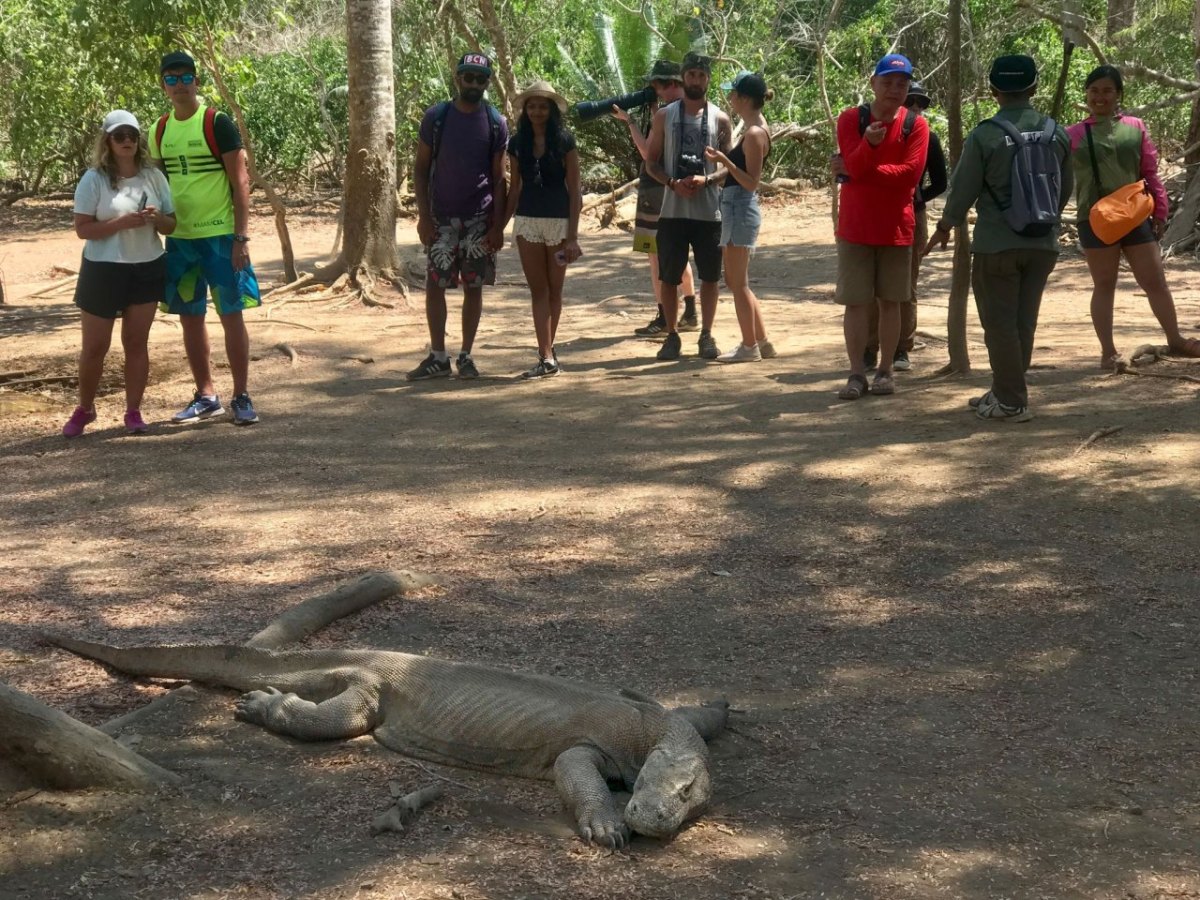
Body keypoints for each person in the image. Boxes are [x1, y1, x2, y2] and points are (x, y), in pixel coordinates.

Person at [924, 54, 1072, 422]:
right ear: (1034, 87)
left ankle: (1011, 400)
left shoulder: (986, 134)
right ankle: (1005, 388)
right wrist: (1044, 219)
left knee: (1000, 324)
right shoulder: (1058, 133)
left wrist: (945, 225)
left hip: (997, 243)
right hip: (1043, 242)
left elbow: (963, 191)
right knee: (1024, 321)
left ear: (993, 91)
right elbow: (1065, 188)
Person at [150, 51, 261, 426]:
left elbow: (240, 182)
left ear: (196, 81)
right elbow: (158, 185)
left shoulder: (217, 123)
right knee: (190, 318)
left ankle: (241, 396)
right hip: (180, 241)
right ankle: (206, 394)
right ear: (163, 85)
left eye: (186, 78)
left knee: (232, 315)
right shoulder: (159, 130)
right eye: (172, 79)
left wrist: (241, 238)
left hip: (221, 238)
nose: (179, 85)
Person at [1065, 65, 1200, 367]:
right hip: (1094, 219)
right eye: (1094, 91)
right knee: (1104, 285)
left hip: (1135, 215)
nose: (1100, 97)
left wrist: (1161, 211)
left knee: (1155, 282)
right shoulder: (1070, 135)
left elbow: (1150, 172)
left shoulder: (1135, 127)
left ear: (1118, 94)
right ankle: (1107, 352)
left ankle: (1175, 339)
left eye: (1107, 90)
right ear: (1086, 94)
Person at [63, 111, 176, 437]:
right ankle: (85, 409)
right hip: (103, 270)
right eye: (119, 135)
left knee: (136, 342)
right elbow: (82, 229)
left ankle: (134, 412)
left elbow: (172, 224)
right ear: (107, 141)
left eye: (132, 135)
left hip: (147, 266)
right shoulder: (93, 179)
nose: (127, 141)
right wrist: (120, 224)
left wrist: (157, 219)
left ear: (139, 139)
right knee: (95, 347)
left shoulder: (154, 176)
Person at [831, 53, 929, 399]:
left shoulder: (915, 125)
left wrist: (862, 168)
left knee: (892, 302)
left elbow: (910, 177)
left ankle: (886, 370)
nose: (894, 89)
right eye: (887, 82)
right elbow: (854, 168)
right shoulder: (849, 120)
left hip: (896, 229)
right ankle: (857, 373)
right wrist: (868, 148)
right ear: (873, 83)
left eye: (902, 84)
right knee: (856, 303)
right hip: (856, 228)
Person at [409, 53, 508, 381]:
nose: (475, 84)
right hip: (441, 216)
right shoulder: (437, 117)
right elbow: (421, 169)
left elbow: (499, 176)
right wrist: (424, 217)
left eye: (481, 79)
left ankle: (466, 355)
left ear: (487, 82)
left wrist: (497, 225)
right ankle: (438, 356)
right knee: (435, 285)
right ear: (458, 78)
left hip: (479, 218)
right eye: (470, 77)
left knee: (474, 286)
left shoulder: (495, 122)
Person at [644, 51, 733, 361]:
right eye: (691, 74)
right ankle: (671, 335)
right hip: (672, 211)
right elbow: (651, 162)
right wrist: (672, 183)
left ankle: (706, 334)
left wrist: (706, 180)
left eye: (701, 75)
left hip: (709, 212)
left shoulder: (721, 118)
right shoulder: (664, 116)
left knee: (710, 277)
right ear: (683, 78)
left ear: (708, 79)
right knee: (668, 276)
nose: (696, 80)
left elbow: (729, 166)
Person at [864, 80, 947, 372]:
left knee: (905, 286)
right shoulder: (875, 133)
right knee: (873, 286)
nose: (915, 109)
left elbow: (941, 181)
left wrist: (919, 197)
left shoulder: (929, 137)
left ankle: (902, 348)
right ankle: (869, 347)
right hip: (874, 214)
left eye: (921, 105)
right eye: (911, 102)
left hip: (913, 216)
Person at [611, 61, 699, 337]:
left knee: (656, 256)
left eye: (658, 86)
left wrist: (632, 122)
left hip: (657, 189)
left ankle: (663, 316)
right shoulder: (695, 111)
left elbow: (648, 154)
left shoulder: (666, 113)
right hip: (679, 188)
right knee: (677, 252)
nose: (655, 92)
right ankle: (691, 311)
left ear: (673, 84)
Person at [502, 81, 582, 378]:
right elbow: (514, 189)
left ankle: (549, 351)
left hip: (559, 223)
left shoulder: (565, 141)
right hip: (527, 223)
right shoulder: (516, 143)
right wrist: (498, 227)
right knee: (538, 289)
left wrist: (573, 236)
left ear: (551, 110)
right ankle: (545, 354)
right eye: (532, 106)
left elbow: (575, 190)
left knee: (555, 289)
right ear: (525, 110)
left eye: (542, 106)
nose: (536, 111)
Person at [703, 71, 777, 362]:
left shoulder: (756, 133)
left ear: (744, 98)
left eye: (733, 93)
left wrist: (723, 162)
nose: (730, 98)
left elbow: (751, 181)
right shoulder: (752, 127)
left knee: (737, 282)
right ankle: (761, 341)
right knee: (738, 280)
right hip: (735, 204)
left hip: (740, 205)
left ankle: (749, 347)